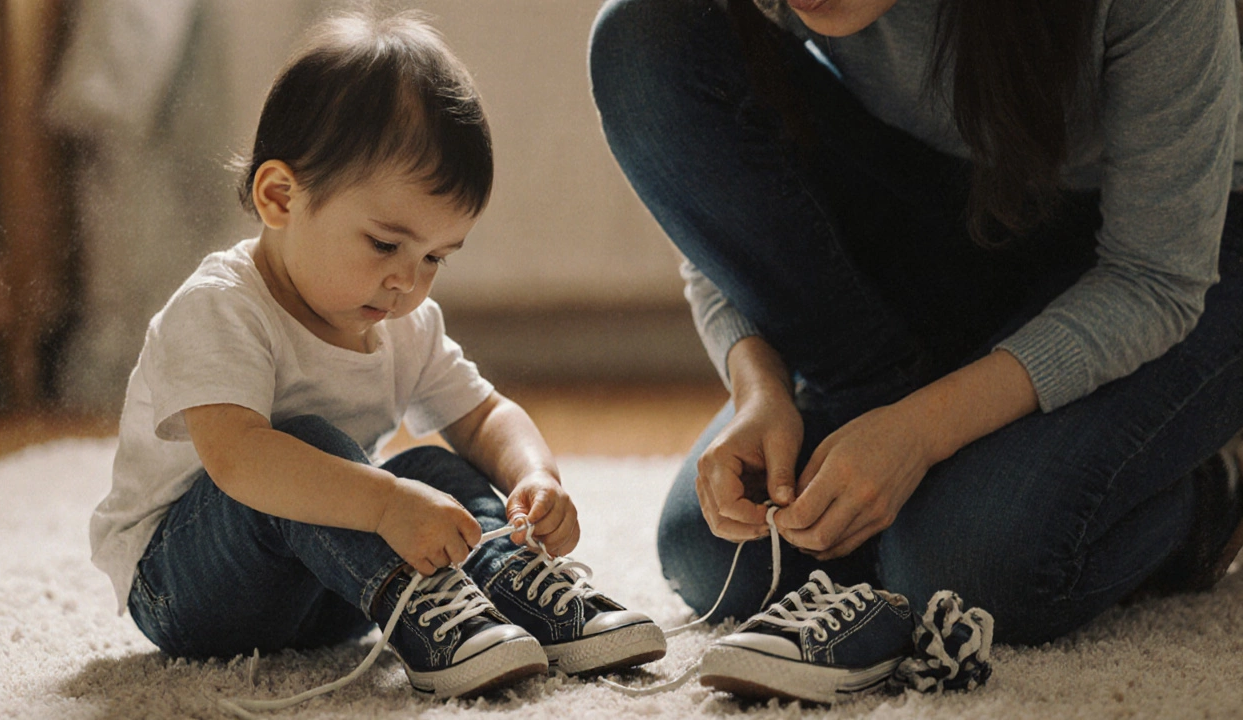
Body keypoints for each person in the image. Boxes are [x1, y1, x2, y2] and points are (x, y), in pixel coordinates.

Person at [590, 0, 1243, 676]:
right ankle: (901, 425)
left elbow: (1154, 278)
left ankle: (1205, 492)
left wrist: (922, 432)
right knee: (712, 551)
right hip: (961, 215)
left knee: (959, 573)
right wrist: (761, 387)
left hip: (1186, 256)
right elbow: (718, 213)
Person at [89, 10, 665, 700]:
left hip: (334, 591)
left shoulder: (405, 322)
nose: (408, 281)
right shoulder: (220, 307)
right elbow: (239, 458)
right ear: (281, 197)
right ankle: (423, 610)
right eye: (385, 245)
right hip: (189, 591)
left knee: (434, 468)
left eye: (435, 257)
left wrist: (533, 478)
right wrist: (387, 503)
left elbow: (483, 416)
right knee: (306, 447)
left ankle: (514, 586)